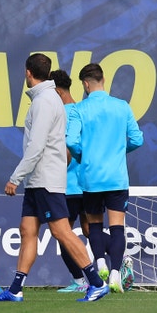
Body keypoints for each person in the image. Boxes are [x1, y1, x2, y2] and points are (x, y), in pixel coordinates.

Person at [0, 53, 108, 303]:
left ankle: (96, 283)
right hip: (38, 180)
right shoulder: (46, 98)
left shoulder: (44, 101)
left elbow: (37, 146)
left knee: (62, 232)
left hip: (46, 179)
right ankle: (15, 289)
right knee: (27, 230)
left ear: (28, 73)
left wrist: (15, 177)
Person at [66, 62, 144, 293]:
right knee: (118, 227)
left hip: (91, 177)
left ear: (86, 84)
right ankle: (115, 273)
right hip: (116, 177)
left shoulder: (79, 109)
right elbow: (137, 139)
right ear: (103, 81)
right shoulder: (122, 107)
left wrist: (83, 156)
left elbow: (70, 141)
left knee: (95, 225)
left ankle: (99, 262)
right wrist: (119, 150)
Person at [49, 69, 90, 293]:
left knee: (63, 234)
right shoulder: (82, 110)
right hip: (88, 183)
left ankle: (80, 280)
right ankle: (118, 262)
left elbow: (64, 151)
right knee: (89, 230)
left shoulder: (59, 114)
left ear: (56, 91)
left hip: (68, 185)